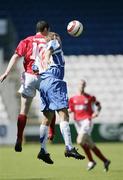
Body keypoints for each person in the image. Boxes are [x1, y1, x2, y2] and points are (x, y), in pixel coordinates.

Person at [0, 20, 56, 152]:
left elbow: (15, 56)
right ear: (46, 29)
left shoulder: (27, 40)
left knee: (23, 110)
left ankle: (19, 138)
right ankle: (51, 132)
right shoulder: (50, 41)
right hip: (44, 77)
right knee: (51, 105)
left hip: (29, 77)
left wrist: (6, 72)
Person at [34, 32, 85, 164]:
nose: (60, 40)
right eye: (59, 37)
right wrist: (47, 57)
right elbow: (50, 50)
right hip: (54, 82)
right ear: (54, 38)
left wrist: (45, 61)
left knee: (47, 118)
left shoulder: (39, 53)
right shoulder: (54, 43)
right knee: (64, 114)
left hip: (43, 83)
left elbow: (35, 69)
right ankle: (69, 147)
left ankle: (42, 150)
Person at [69, 79, 111, 171]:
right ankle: (105, 161)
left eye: (83, 84)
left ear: (85, 86)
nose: (82, 86)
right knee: (89, 144)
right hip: (77, 123)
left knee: (80, 141)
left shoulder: (90, 97)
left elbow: (99, 105)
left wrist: (97, 112)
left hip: (87, 121)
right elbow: (71, 110)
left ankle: (91, 161)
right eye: (80, 84)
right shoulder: (73, 99)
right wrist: (64, 112)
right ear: (78, 85)